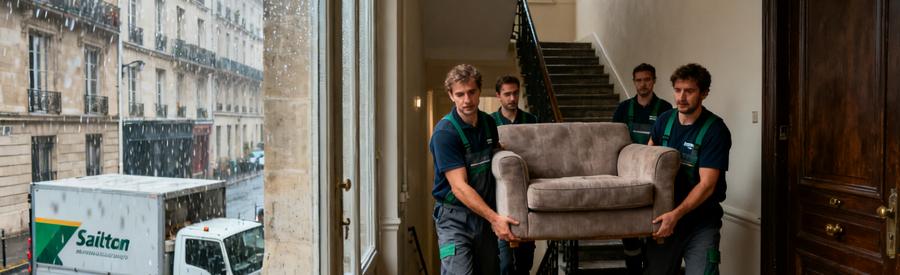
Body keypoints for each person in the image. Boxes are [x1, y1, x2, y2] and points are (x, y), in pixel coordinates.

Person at [429, 64, 519, 274]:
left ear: (480, 90)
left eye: (471, 92)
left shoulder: (488, 123)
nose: (467, 100)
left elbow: (494, 160)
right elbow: (459, 187)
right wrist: (495, 219)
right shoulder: (445, 133)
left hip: (483, 216)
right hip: (454, 219)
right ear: (451, 95)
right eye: (460, 94)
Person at [645, 63, 732, 275]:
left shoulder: (715, 130)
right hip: (664, 222)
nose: (681, 97)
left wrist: (676, 215)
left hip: (701, 224)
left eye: (689, 91)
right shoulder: (664, 121)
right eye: (677, 90)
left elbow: (707, 185)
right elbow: (646, 164)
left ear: (704, 93)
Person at [612, 63, 673, 274]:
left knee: (653, 227)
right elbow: (613, 142)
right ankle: (633, 267)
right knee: (629, 229)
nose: (643, 84)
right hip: (628, 176)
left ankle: (650, 264)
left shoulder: (665, 109)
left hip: (655, 176)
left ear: (654, 80)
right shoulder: (623, 109)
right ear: (634, 81)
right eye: (638, 80)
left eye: (647, 79)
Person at [491, 75, 537, 275]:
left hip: (526, 191)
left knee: (525, 262)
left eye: (515, 93)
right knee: (505, 264)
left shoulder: (531, 121)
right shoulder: (490, 122)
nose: (512, 98)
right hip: (500, 195)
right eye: (507, 94)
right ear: (498, 96)